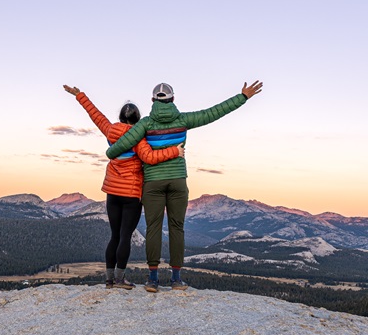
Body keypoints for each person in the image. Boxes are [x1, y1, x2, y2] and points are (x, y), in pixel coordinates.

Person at [106, 80, 263, 292]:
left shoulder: (145, 124)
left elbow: (121, 145)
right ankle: (176, 279)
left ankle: (152, 280)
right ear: (173, 99)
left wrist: (111, 153)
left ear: (152, 100)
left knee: (153, 228)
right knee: (177, 228)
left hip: (152, 182)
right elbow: (213, 113)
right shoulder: (183, 120)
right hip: (178, 180)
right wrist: (242, 97)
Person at [63, 85, 184, 289]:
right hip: (131, 194)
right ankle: (120, 279)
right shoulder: (138, 137)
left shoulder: (110, 131)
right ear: (138, 119)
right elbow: (150, 157)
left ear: (120, 117)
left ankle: (110, 280)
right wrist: (175, 152)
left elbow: (96, 115)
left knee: (115, 236)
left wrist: (80, 96)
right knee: (125, 237)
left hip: (112, 193)